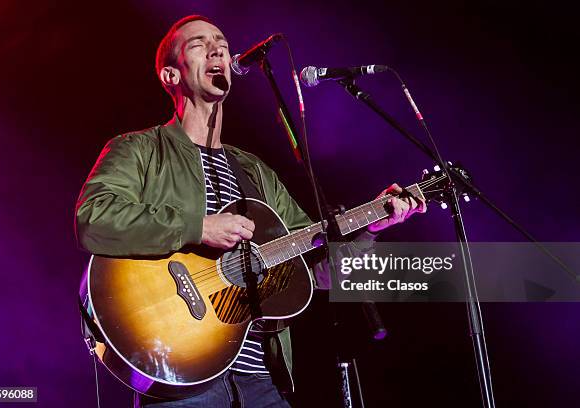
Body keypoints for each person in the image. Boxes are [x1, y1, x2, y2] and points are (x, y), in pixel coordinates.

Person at [75, 15, 425, 407]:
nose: (217, 49)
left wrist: (371, 228)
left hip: (261, 378)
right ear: (171, 76)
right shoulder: (138, 149)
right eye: (198, 44)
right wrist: (198, 227)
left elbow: (318, 270)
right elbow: (94, 218)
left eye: (221, 42)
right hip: (181, 372)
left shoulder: (254, 171)